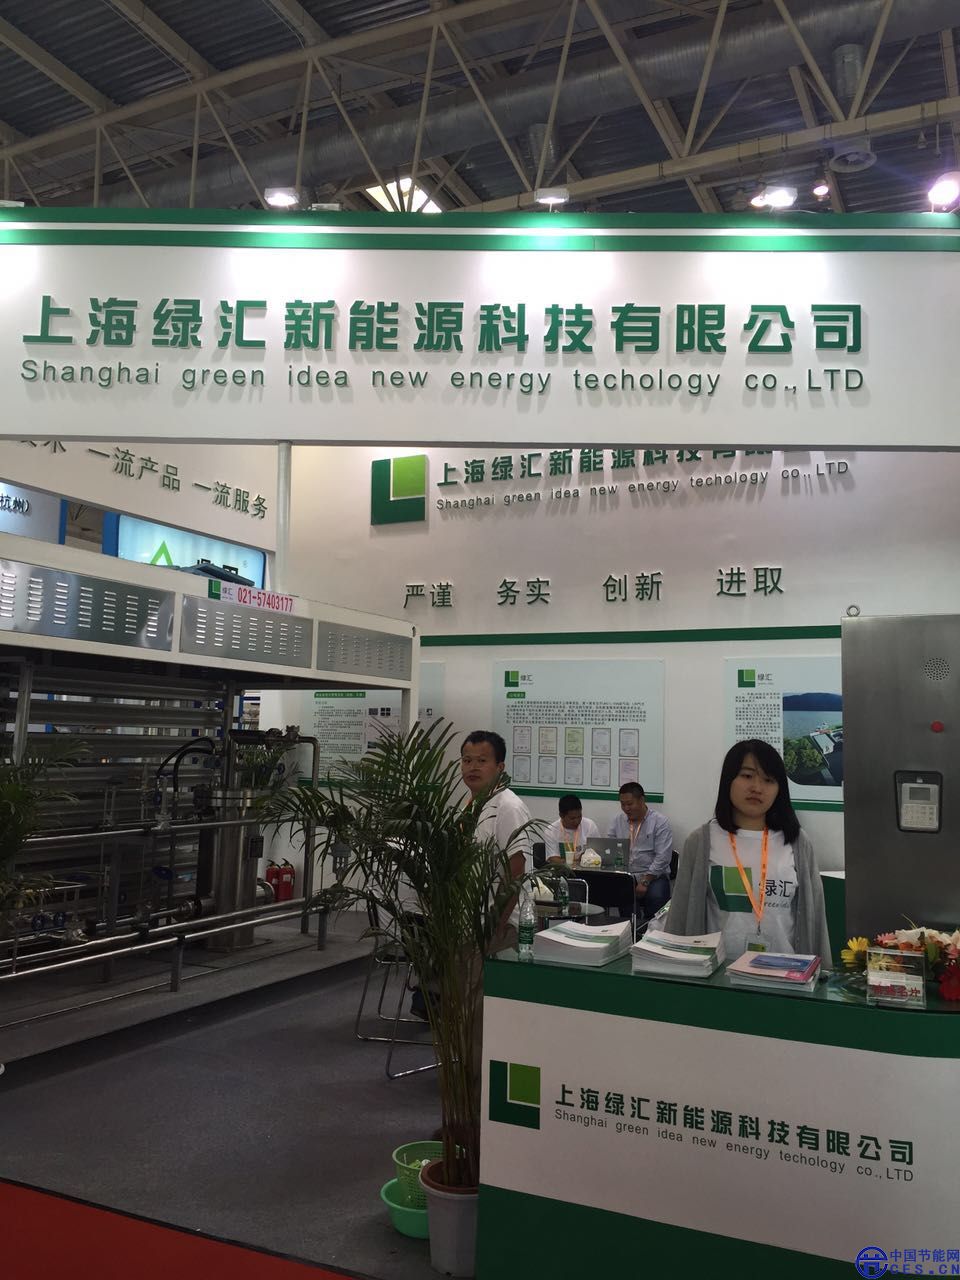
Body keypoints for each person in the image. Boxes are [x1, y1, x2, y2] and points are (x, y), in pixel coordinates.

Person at [666, 739, 831, 963]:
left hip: (785, 973)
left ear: (779, 789)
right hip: (719, 975)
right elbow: (681, 915)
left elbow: (815, 918)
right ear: (729, 780)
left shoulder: (797, 842)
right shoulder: (701, 841)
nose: (757, 787)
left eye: (768, 780)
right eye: (747, 775)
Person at [606, 781, 674, 919]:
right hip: (627, 876)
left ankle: (652, 929)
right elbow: (609, 847)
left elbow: (663, 857)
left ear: (642, 800)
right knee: (622, 896)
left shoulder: (660, 822)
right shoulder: (618, 821)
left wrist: (645, 881)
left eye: (630, 804)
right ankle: (631, 928)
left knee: (657, 896)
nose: (626, 808)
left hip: (654, 876)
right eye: (622, 804)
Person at [545, 794, 599, 863]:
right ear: (561, 815)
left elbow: (597, 852)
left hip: (586, 867)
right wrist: (577, 863)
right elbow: (553, 859)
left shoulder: (590, 825)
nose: (577, 821)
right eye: (572, 818)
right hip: (562, 868)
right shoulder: (551, 831)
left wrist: (588, 856)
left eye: (579, 816)